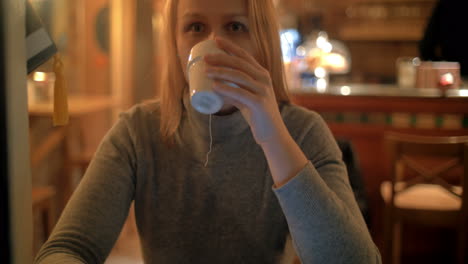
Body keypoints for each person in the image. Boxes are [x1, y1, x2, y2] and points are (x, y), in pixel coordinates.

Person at [34, 0, 381, 263]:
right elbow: (70, 247)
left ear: (262, 41)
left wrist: (272, 133)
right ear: (176, 45)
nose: (215, 43)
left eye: (235, 26)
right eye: (196, 27)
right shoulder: (137, 132)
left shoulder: (301, 132)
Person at [419, 0, 468, 77]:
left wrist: (443, 69)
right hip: (451, 77)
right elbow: (426, 48)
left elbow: (426, 48)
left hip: (451, 77)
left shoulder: (445, 4)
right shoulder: (445, 5)